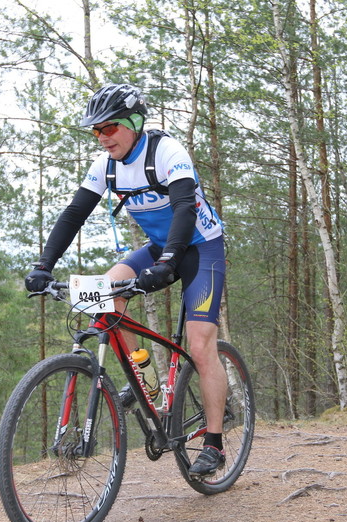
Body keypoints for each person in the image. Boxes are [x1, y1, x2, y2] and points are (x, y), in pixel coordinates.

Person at [24, 84, 227, 478]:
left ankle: (214, 443)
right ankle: (147, 385)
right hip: (159, 248)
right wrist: (44, 264)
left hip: (201, 250)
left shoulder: (167, 152)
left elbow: (184, 208)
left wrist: (169, 261)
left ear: (134, 123)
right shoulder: (105, 165)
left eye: (109, 128)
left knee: (201, 346)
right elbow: (74, 214)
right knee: (106, 296)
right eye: (95, 130)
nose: (102, 137)